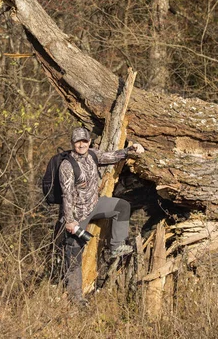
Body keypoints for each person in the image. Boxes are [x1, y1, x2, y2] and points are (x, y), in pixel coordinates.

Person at [57, 127, 144, 305]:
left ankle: (116, 246)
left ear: (89, 142)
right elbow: (66, 195)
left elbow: (112, 156)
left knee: (122, 206)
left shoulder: (93, 155)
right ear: (72, 143)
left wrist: (130, 151)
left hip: (95, 205)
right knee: (74, 255)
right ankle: (76, 299)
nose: (81, 144)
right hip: (77, 213)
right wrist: (70, 221)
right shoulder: (67, 166)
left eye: (84, 141)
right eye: (77, 141)